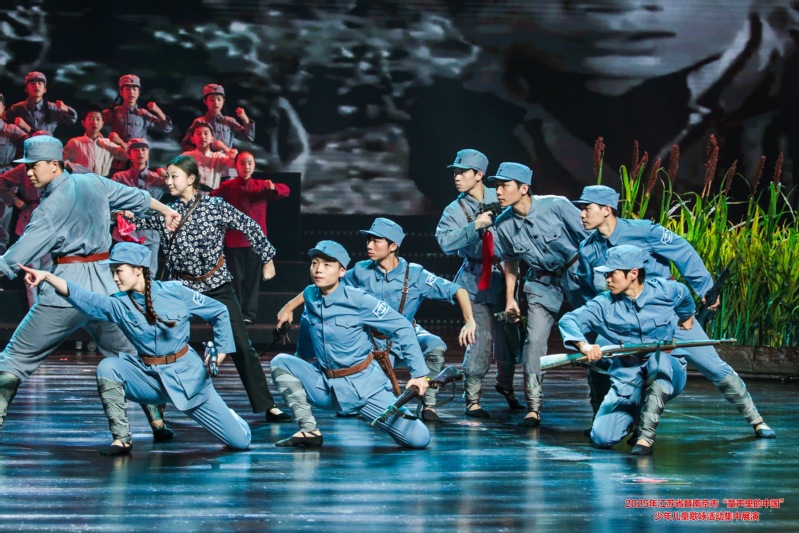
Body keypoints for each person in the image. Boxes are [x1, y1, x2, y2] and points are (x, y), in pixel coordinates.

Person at [0, 136, 181, 438]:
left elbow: (17, 256)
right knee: (129, 355)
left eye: (33, 166)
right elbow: (135, 197)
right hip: (106, 292)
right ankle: (158, 423)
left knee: (15, 358)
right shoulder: (94, 182)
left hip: (65, 292)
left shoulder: (48, 209)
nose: (28, 173)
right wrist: (166, 211)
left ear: (54, 165)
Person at [573, 184, 776, 439]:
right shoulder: (587, 249)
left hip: (667, 316)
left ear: (606, 210)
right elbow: (586, 288)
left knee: (712, 365)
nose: (581, 214)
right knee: (599, 362)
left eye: (587, 208)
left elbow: (682, 251)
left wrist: (705, 288)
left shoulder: (644, 231)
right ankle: (604, 421)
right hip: (624, 321)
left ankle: (756, 420)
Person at [19, 243, 251, 455]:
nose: (114, 278)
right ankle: (121, 439)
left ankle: (230, 418)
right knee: (108, 367)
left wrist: (221, 352)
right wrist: (48, 276)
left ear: (138, 269)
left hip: (189, 380)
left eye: (119, 271)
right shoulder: (119, 304)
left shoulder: (176, 292)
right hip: (149, 379)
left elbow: (219, 311)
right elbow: (85, 298)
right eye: (112, 272)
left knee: (240, 442)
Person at [132, 154, 290, 423]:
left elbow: (248, 225)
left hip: (216, 285)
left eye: (174, 176)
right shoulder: (167, 211)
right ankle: (158, 405)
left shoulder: (214, 206)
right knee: (163, 345)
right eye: (167, 176)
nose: (168, 181)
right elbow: (136, 219)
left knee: (241, 344)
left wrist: (267, 258)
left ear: (191, 179)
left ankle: (267, 404)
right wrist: (121, 211)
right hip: (180, 288)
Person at [277, 218, 476, 421]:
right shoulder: (360, 271)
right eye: (368, 240)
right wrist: (289, 306)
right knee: (354, 407)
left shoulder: (415, 274)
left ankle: (428, 403)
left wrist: (469, 320)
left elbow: (457, 290)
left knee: (434, 345)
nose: (369, 246)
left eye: (376, 241)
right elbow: (323, 284)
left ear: (393, 246)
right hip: (370, 343)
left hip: (403, 338)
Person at [270, 240, 431, 448]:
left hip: (364, 388)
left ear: (342, 271)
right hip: (325, 386)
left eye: (327, 265)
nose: (318, 269)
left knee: (419, 439)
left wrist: (419, 374)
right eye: (315, 263)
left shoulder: (359, 300)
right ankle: (309, 430)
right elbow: (308, 316)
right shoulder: (311, 295)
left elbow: (402, 327)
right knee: (280, 362)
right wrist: (289, 309)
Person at [559, 245, 690, 455]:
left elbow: (684, 295)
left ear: (633, 273)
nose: (607, 279)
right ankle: (631, 419)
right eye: (606, 274)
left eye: (612, 274)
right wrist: (584, 345)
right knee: (601, 438)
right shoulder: (604, 303)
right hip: (628, 377)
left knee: (659, 361)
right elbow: (570, 320)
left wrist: (687, 317)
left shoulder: (665, 290)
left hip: (668, 372)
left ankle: (645, 438)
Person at [490, 162, 589, 427]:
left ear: (523, 188)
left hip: (576, 275)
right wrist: (510, 298)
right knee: (533, 342)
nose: (498, 191)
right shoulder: (503, 224)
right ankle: (533, 406)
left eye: (504, 185)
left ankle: (603, 400)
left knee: (594, 336)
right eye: (497, 186)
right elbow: (510, 263)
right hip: (541, 282)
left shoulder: (556, 205)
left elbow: (590, 238)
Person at [435, 149, 521, 418]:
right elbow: (445, 242)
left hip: (505, 277)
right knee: (480, 340)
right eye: (455, 172)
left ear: (479, 174)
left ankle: (506, 385)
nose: (457, 177)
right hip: (475, 281)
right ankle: (472, 398)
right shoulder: (455, 209)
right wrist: (474, 226)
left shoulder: (502, 197)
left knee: (509, 340)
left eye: (463, 172)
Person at [212, 151, 289, 322]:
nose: (246, 167)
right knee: (235, 280)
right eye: (242, 163)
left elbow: (285, 190)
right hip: (234, 240)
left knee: (252, 281)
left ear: (254, 165)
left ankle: (249, 314)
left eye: (249, 163)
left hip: (255, 242)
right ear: (235, 165)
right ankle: (236, 313)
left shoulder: (261, 186)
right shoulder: (228, 186)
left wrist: (273, 188)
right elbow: (211, 199)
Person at [110, 137, 168, 273]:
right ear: (129, 154)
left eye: (143, 149)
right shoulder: (119, 177)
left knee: (149, 273)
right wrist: (118, 212)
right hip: (125, 234)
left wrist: (166, 175)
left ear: (148, 154)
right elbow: (109, 200)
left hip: (150, 234)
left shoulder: (157, 179)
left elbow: (180, 188)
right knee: (123, 271)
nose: (140, 152)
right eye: (135, 150)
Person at [102, 74, 173, 173]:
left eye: (134, 89)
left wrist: (158, 110)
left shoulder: (143, 114)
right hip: (119, 160)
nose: (131, 92)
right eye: (127, 89)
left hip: (138, 161)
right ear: (121, 92)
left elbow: (167, 128)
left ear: (138, 92)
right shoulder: (113, 112)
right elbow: (95, 122)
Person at [181, 84, 256, 152]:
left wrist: (245, 119)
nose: (216, 103)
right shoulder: (200, 122)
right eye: (212, 99)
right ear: (205, 101)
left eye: (219, 99)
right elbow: (186, 143)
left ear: (223, 101)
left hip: (226, 160)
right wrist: (199, 155)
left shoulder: (230, 121)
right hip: (206, 161)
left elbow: (249, 137)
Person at [63, 104, 129, 177]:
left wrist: (121, 142)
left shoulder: (108, 143)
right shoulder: (75, 142)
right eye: (91, 119)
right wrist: (73, 167)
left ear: (102, 123)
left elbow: (127, 156)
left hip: (102, 180)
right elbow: (62, 161)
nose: (95, 122)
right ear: (83, 123)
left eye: (98, 119)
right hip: (81, 180)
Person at [3, 71, 77, 136]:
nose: (36, 86)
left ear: (44, 89)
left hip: (47, 146)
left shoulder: (53, 108)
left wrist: (66, 109)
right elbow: (3, 121)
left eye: (40, 83)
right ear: (26, 89)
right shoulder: (17, 108)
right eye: (32, 83)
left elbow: (72, 120)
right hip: (23, 146)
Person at [0, 92, 28, 255]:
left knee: (2, 224)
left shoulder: (12, 130)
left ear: (3, 108)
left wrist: (16, 168)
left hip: (4, 180)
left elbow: (31, 145)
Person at [181, 121, 237, 191]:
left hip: (212, 195)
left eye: (206, 133)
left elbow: (235, 164)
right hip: (192, 195)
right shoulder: (186, 156)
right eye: (198, 134)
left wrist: (225, 148)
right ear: (192, 139)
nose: (202, 136)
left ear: (212, 139)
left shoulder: (218, 157)